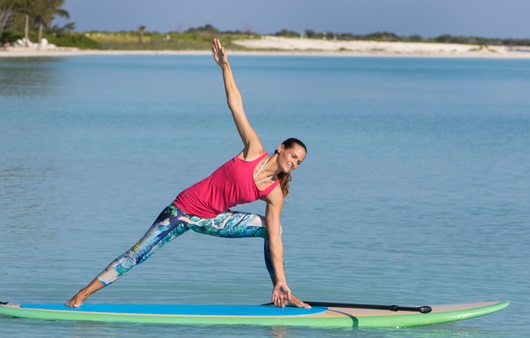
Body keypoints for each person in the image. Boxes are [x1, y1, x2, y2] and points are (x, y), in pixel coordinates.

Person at [66, 39, 309, 309]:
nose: (295, 163)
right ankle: (82, 295)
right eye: (293, 156)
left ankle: (281, 291)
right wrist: (225, 67)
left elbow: (275, 239)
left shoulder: (274, 194)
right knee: (138, 253)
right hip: (182, 210)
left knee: (272, 229)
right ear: (281, 148)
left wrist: (281, 279)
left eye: (299, 163)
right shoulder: (254, 151)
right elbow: (236, 106)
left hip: (213, 219)